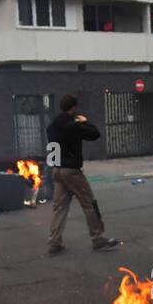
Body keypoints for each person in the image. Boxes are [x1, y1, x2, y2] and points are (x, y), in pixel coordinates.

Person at [44, 94, 119, 255]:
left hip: (56, 169)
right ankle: (98, 238)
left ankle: (54, 242)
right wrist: (84, 121)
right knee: (88, 203)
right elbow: (94, 134)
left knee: (59, 207)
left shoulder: (51, 126)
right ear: (73, 108)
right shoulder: (73, 125)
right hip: (71, 170)